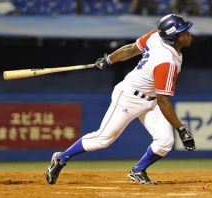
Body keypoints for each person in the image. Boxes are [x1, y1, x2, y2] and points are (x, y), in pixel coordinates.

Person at [46, 14, 196, 185]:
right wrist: (182, 129)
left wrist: (109, 59)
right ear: (174, 37)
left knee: (165, 141)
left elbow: (132, 49)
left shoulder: (157, 35)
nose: (189, 34)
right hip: (129, 97)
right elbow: (164, 100)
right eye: (184, 32)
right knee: (103, 140)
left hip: (151, 101)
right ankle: (61, 158)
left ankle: (138, 171)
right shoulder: (166, 61)